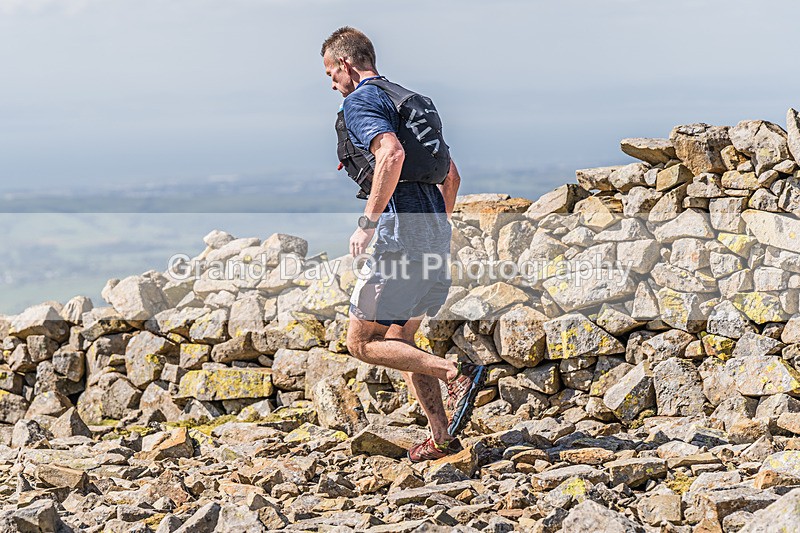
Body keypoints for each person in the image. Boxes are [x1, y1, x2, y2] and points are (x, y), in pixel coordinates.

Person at [321, 26, 486, 462]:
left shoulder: (361, 101)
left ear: (345, 65)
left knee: (360, 342)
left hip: (400, 235)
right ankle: (441, 436)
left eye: (330, 75)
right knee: (401, 338)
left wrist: (367, 222)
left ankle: (457, 371)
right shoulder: (412, 101)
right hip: (434, 229)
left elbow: (390, 155)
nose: (332, 85)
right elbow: (452, 176)